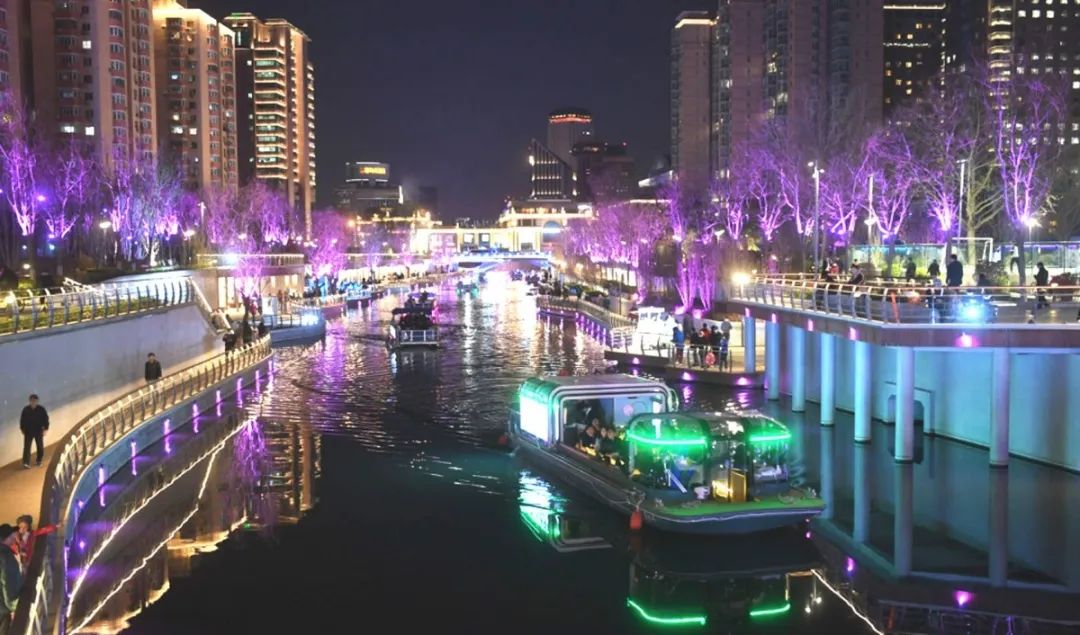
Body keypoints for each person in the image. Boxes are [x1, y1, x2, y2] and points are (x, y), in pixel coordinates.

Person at [0, 524, 20, 634]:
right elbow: (8, 583)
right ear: (7, 537)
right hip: (2, 609)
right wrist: (14, 606)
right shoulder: (6, 556)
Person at [19, 395, 48, 469]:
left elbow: (46, 419)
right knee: (27, 447)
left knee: (40, 447)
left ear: (37, 401)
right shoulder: (25, 410)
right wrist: (22, 429)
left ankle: (39, 460)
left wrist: (46, 428)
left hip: (38, 431)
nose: (33, 402)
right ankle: (26, 462)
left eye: (34, 401)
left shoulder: (41, 409)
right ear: (29, 401)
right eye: (32, 401)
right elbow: (22, 420)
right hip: (28, 431)